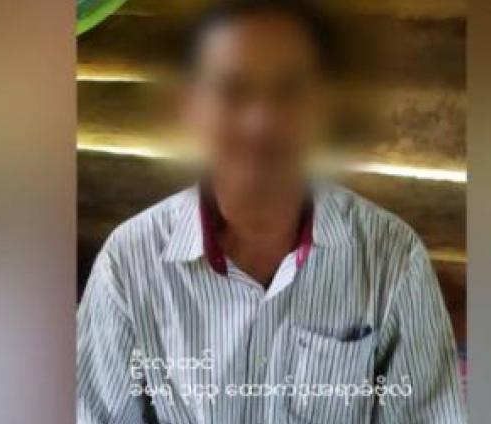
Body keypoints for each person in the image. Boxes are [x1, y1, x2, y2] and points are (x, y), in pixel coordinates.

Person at [77, 1, 465, 423]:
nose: (261, 122)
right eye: (233, 90)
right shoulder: (129, 261)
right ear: (191, 109)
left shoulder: (393, 259)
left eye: (289, 91)